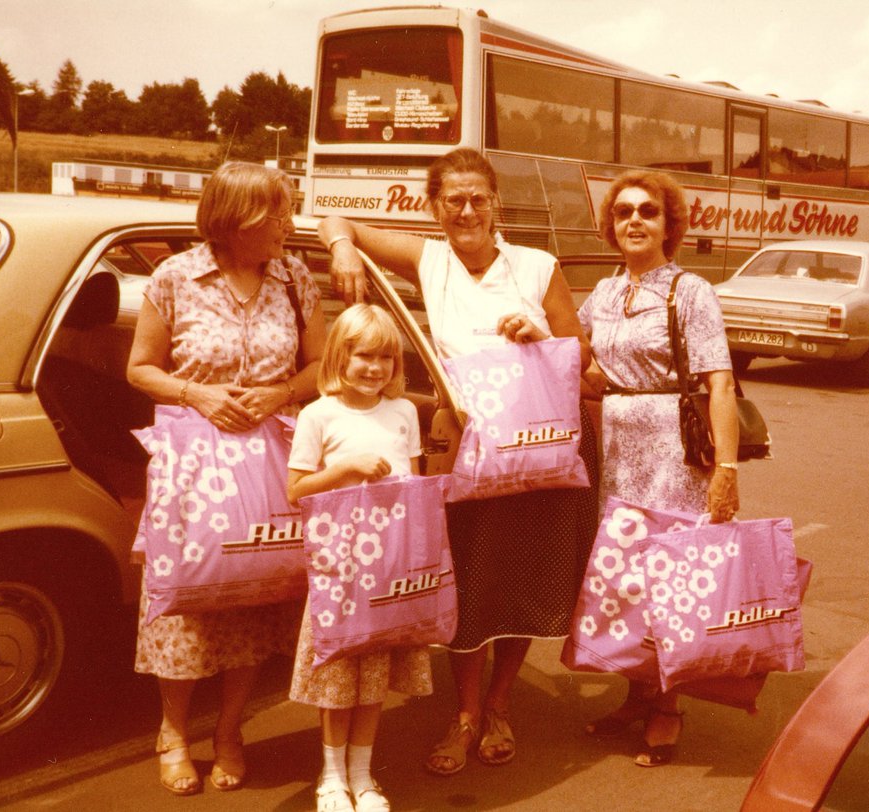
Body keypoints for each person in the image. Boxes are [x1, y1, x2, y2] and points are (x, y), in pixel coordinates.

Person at [318, 147, 599, 776]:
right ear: (434, 207)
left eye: (478, 197)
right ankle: (466, 712)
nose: (467, 210)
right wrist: (341, 250)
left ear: (496, 202)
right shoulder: (431, 258)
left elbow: (578, 355)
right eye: (453, 200)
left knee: (524, 579)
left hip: (534, 453)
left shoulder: (537, 266)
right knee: (466, 582)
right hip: (464, 450)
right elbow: (337, 222)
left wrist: (539, 338)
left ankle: (499, 704)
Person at [127, 161, 326, 795]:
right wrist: (199, 396)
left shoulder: (294, 277)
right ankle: (173, 734)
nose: (288, 225)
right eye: (277, 213)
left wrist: (279, 394)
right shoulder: (175, 277)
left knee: (256, 592)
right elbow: (141, 369)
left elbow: (322, 366)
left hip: (267, 457)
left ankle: (231, 732)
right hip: (192, 461)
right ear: (237, 218)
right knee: (186, 598)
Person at [578, 169, 740, 767]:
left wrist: (726, 468)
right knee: (625, 578)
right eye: (623, 212)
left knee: (672, 577)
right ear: (611, 225)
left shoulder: (690, 291)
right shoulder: (602, 293)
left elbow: (718, 381)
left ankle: (668, 707)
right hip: (618, 448)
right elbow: (590, 370)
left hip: (674, 454)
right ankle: (636, 693)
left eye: (648, 211)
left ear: (669, 225)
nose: (634, 221)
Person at [287, 303, 432, 812]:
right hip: (339, 566)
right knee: (338, 674)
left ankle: (364, 776)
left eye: (386, 359)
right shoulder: (318, 414)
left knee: (374, 675)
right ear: (339, 358)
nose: (375, 368)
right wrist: (347, 466)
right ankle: (331, 779)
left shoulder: (404, 412)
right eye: (363, 356)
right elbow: (295, 490)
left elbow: (413, 485)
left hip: (389, 564)